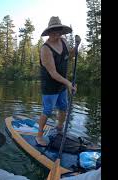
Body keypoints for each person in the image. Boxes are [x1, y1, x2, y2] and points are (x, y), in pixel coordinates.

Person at [35, 16, 81, 146]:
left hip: (62, 83)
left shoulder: (64, 41)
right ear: (48, 32)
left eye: (58, 30)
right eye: (53, 30)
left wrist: (77, 46)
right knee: (48, 110)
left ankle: (59, 130)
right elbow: (53, 73)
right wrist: (68, 83)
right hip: (49, 85)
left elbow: (69, 56)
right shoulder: (45, 49)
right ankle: (39, 136)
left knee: (63, 107)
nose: (56, 33)